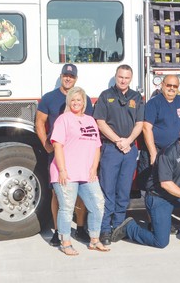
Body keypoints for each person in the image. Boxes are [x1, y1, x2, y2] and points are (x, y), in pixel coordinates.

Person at [111, 122, 180, 248]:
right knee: (161, 242)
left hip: (178, 194)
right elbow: (166, 184)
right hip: (159, 197)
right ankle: (129, 228)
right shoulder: (168, 152)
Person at [35, 63, 95, 246]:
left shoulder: (83, 98)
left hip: (79, 154)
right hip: (58, 153)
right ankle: (58, 231)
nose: (68, 78)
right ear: (61, 76)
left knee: (80, 193)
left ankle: (81, 228)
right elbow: (39, 122)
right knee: (57, 194)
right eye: (65, 75)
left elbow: (89, 124)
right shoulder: (49, 98)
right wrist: (47, 145)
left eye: (71, 76)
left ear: (76, 78)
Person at [50, 87, 108, 255]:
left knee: (98, 205)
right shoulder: (63, 119)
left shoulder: (90, 120)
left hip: (86, 173)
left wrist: (93, 168)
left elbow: (97, 146)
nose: (76, 103)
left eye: (79, 100)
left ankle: (94, 240)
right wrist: (62, 169)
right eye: (73, 100)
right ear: (69, 102)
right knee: (67, 207)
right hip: (66, 172)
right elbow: (57, 145)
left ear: (84, 103)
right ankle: (65, 242)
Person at [95, 64, 145, 245]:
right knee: (108, 191)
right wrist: (118, 140)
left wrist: (129, 141)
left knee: (123, 191)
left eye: (126, 78)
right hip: (111, 149)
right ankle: (104, 230)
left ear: (131, 79)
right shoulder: (105, 96)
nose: (123, 80)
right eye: (120, 77)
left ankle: (118, 227)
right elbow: (100, 121)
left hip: (129, 150)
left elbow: (140, 123)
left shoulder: (136, 97)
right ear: (116, 77)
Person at [140, 74, 180, 187]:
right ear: (162, 85)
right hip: (158, 151)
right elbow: (146, 128)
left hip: (177, 152)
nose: (171, 88)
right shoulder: (153, 103)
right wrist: (153, 153)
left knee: (176, 185)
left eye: (175, 86)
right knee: (153, 186)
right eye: (169, 85)